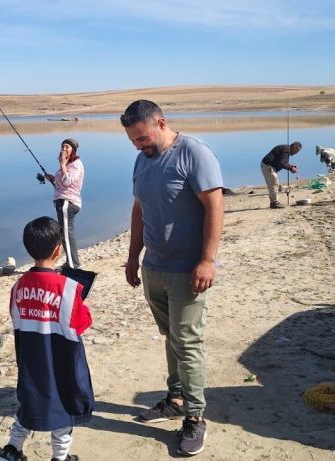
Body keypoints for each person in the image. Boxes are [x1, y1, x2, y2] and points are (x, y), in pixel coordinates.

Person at [120, 100, 223, 456]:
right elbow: (139, 210)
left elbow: (214, 205)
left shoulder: (193, 153)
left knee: (188, 342)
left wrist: (207, 260)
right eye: (133, 140)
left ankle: (195, 418)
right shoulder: (141, 160)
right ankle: (176, 398)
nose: (138, 145)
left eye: (143, 138)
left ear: (161, 123)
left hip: (188, 270)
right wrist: (133, 257)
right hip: (154, 267)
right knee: (170, 337)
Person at [0, 216, 93, 461]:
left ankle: (12, 450)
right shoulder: (69, 287)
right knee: (62, 411)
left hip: (30, 360)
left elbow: (16, 316)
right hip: (61, 362)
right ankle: (60, 457)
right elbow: (82, 324)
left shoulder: (18, 286)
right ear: (58, 250)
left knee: (28, 406)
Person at [44, 138, 85, 269]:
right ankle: (70, 262)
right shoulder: (68, 165)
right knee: (65, 233)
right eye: (62, 146)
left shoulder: (76, 164)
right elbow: (62, 183)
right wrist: (52, 178)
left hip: (68, 202)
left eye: (67, 146)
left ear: (73, 150)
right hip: (62, 201)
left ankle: (73, 265)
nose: (64, 149)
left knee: (67, 234)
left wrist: (62, 164)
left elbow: (67, 181)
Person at [260, 142, 302, 209]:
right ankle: (274, 203)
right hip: (268, 166)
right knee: (274, 184)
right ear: (294, 147)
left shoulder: (286, 149)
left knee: (273, 184)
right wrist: (291, 168)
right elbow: (282, 163)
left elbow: (284, 162)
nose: (296, 153)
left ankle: (274, 202)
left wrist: (290, 166)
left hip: (267, 166)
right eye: (296, 151)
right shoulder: (286, 150)